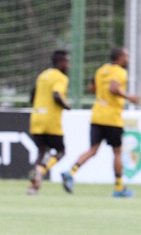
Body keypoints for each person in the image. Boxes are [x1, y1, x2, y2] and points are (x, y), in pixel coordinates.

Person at [62, 47, 139, 197]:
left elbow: (91, 87)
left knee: (93, 150)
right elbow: (113, 88)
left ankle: (70, 172)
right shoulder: (120, 72)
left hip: (97, 115)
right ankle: (119, 188)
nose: (128, 59)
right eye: (126, 56)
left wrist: (102, 94)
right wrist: (130, 97)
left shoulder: (101, 70)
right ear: (120, 57)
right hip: (112, 118)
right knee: (117, 152)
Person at [27, 50, 72, 195]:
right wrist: (67, 106)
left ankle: (33, 186)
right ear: (59, 62)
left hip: (36, 118)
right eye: (66, 62)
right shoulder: (61, 77)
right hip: (50, 121)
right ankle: (41, 171)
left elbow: (32, 96)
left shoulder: (42, 75)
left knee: (41, 152)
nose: (68, 66)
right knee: (61, 151)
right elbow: (56, 95)